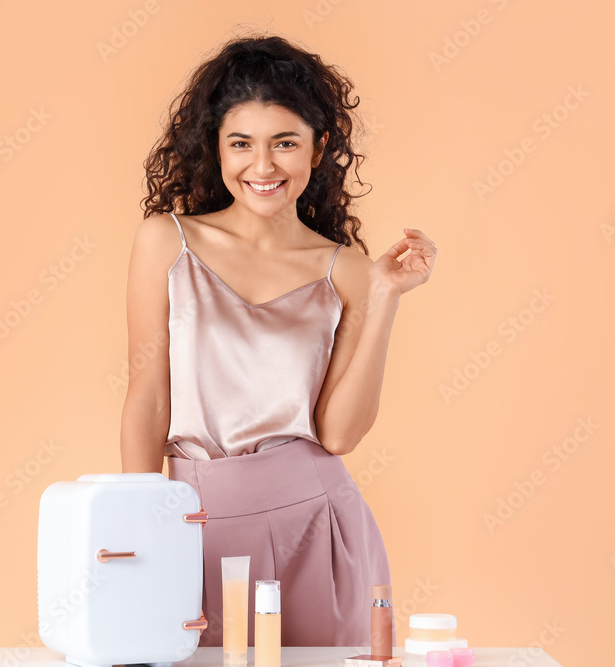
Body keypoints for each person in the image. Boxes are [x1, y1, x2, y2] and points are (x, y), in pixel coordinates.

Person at [120, 33, 436, 648]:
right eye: (241, 143)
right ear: (215, 148)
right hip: (193, 525)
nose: (262, 167)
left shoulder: (345, 269)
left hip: (318, 525)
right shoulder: (166, 243)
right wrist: (138, 526)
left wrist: (384, 298)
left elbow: (339, 433)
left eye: (284, 143)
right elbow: (148, 399)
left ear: (317, 151)